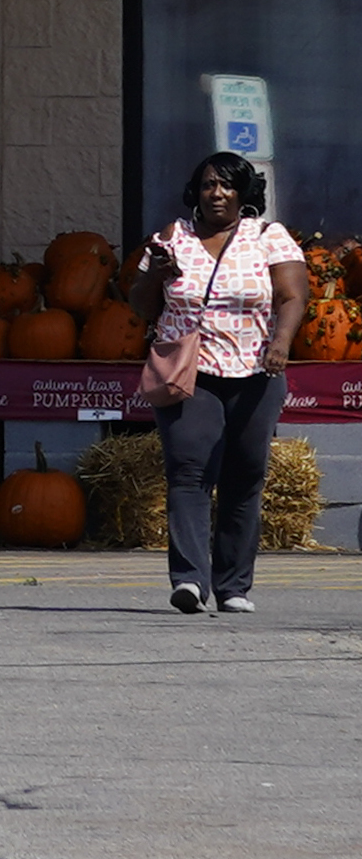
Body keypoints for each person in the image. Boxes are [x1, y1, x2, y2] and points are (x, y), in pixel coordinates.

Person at [138, 150, 314, 613]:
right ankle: (189, 581)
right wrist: (154, 275)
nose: (217, 193)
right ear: (195, 192)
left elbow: (294, 295)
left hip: (256, 371)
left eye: (228, 185)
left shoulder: (268, 237)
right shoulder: (173, 237)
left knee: (244, 477)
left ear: (245, 193)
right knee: (189, 472)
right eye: (208, 184)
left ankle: (234, 586)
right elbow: (139, 305)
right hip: (189, 373)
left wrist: (281, 341)